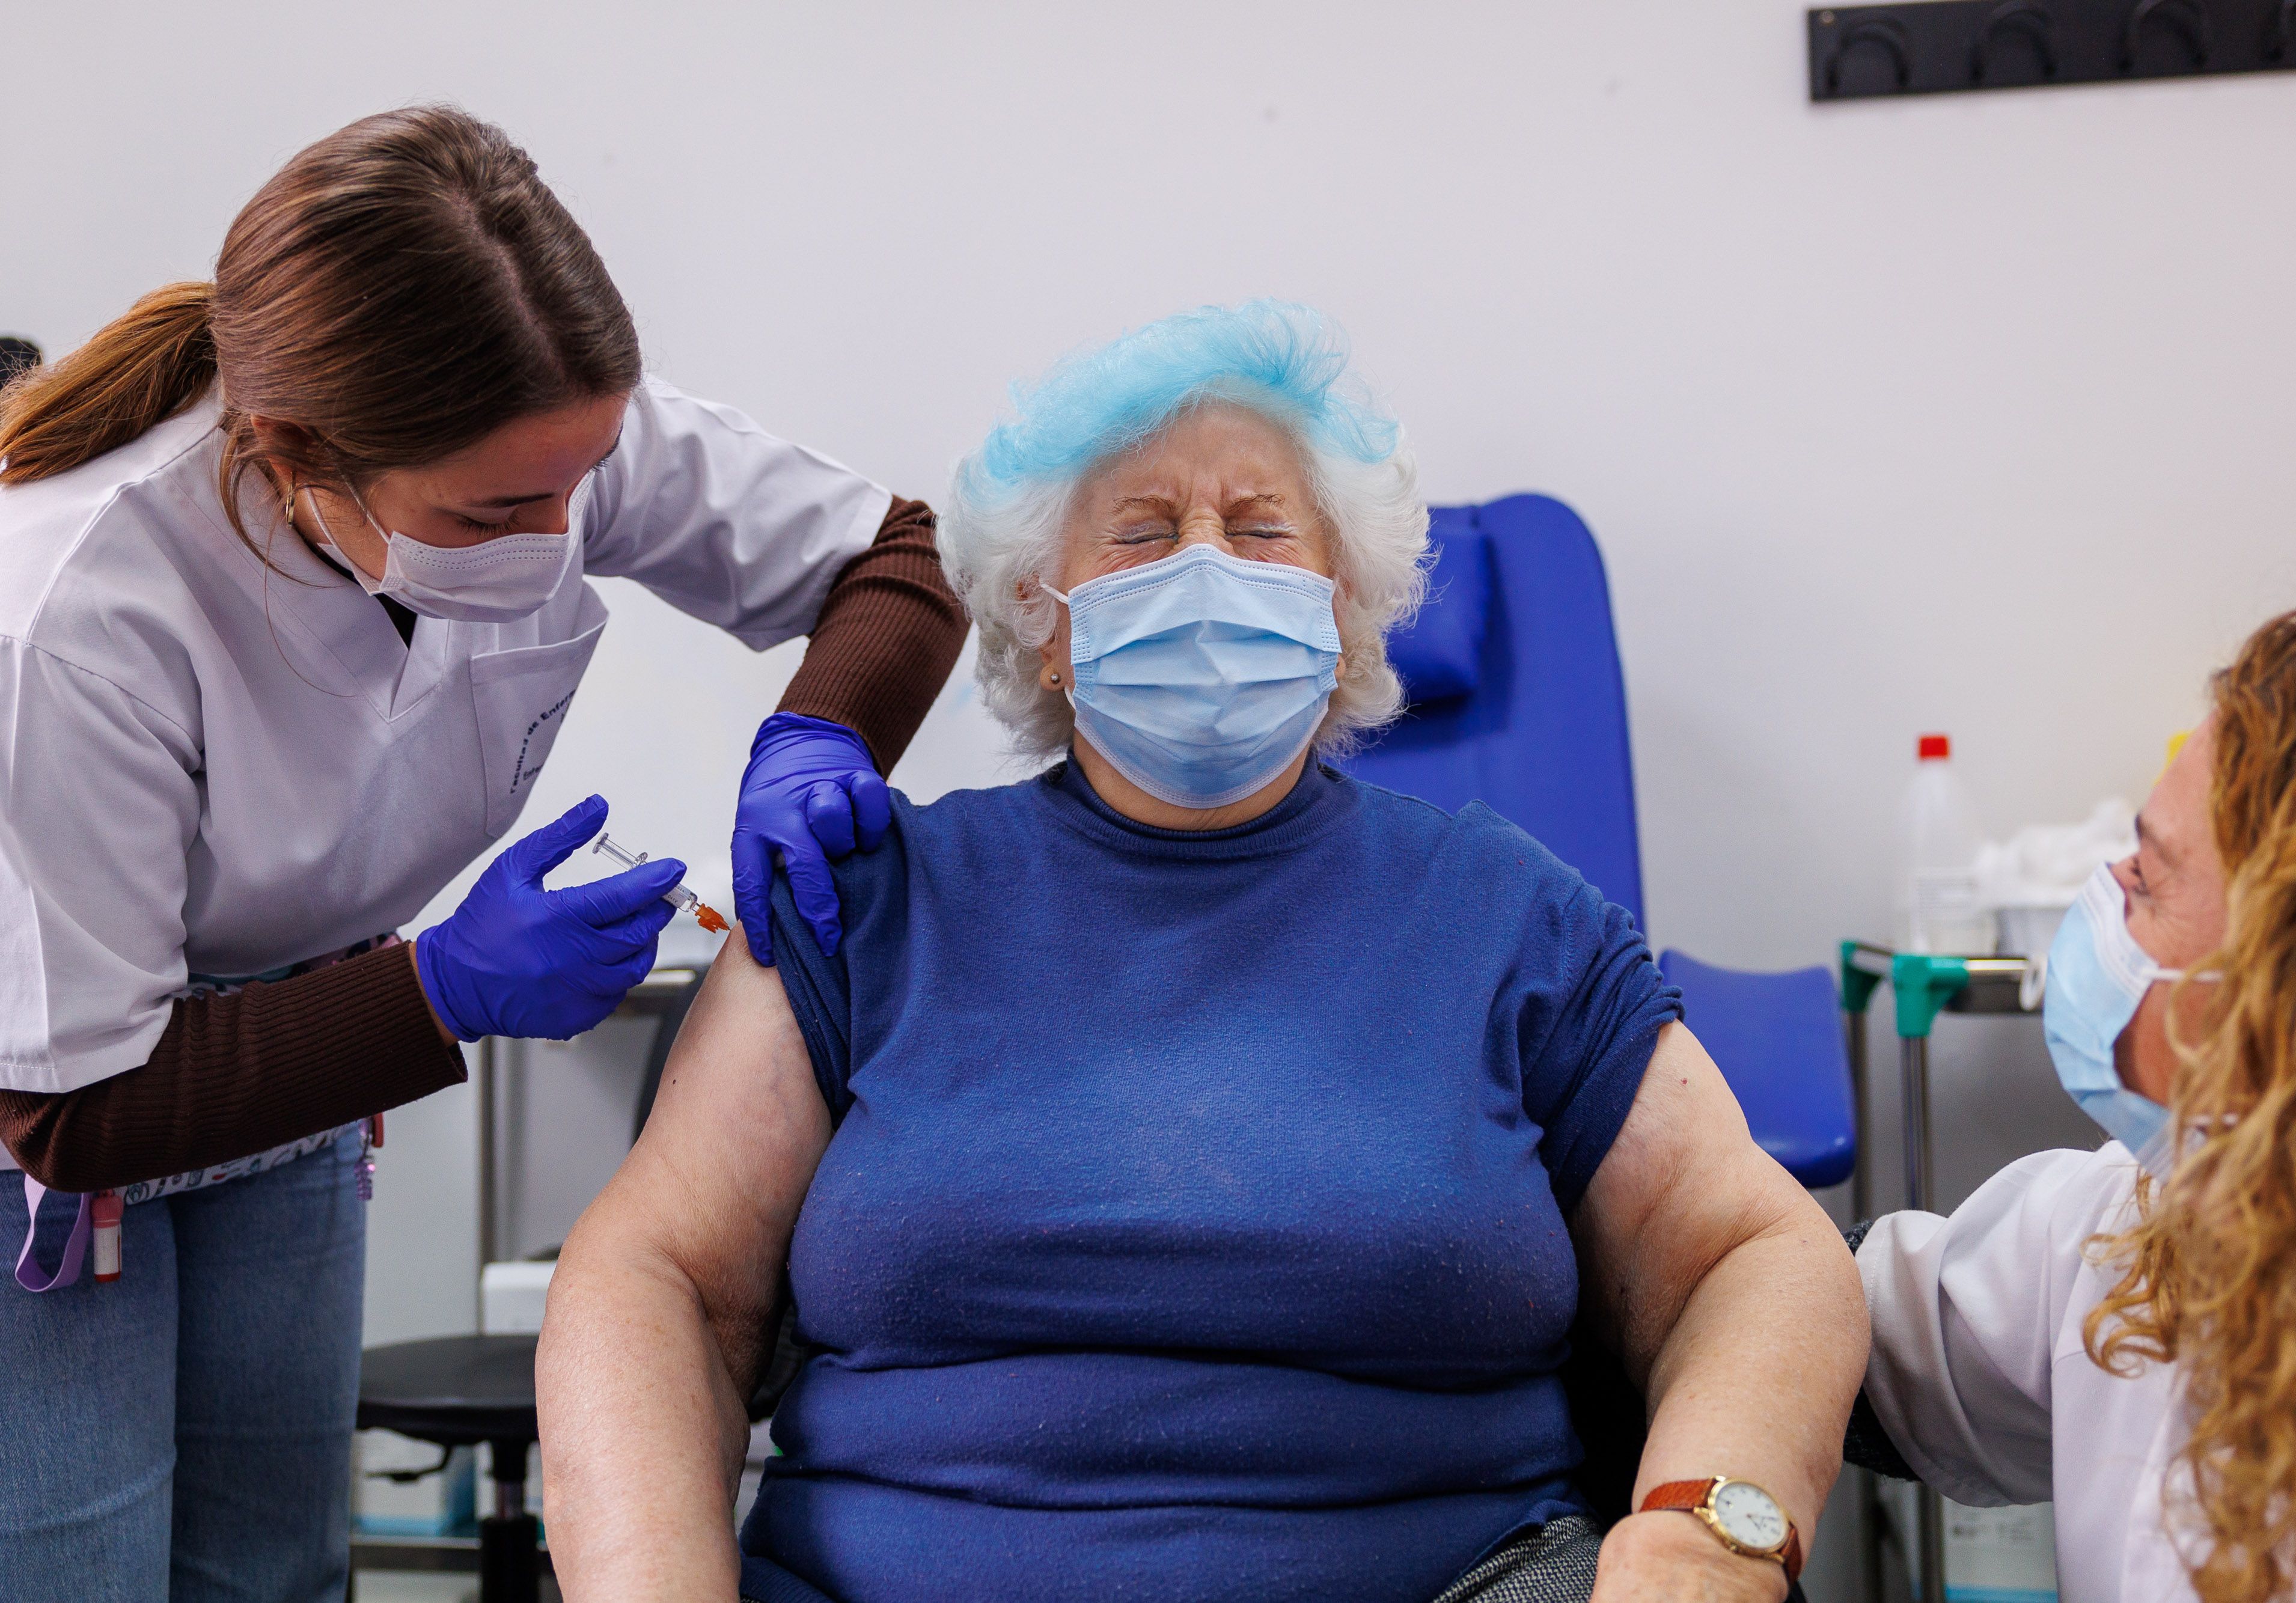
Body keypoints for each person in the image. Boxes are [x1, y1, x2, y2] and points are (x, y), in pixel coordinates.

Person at [537, 302, 1867, 1603]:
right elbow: (656, 1277)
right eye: (1140, 531)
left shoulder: (1506, 914)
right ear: (1039, 620)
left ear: (1343, 607)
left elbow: (1750, 1251)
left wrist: (1704, 1537)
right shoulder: (868, 904)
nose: (1204, 566)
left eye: (1257, 526)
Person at [0, 106, 964, 1601]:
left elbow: (898, 560)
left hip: (287, 1060)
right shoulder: (69, 609)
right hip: (57, 1108)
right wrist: (437, 992)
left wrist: (815, 737)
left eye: (580, 478)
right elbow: (69, 1114)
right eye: (502, 507)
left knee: (275, 1573)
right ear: (296, 454)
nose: (563, 525)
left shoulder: (544, 430)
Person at [1848, 610, 2296, 1602]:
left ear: (2291, 990)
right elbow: (1857, 1329)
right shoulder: (2156, 1216)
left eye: (2147, 876)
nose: (2105, 894)